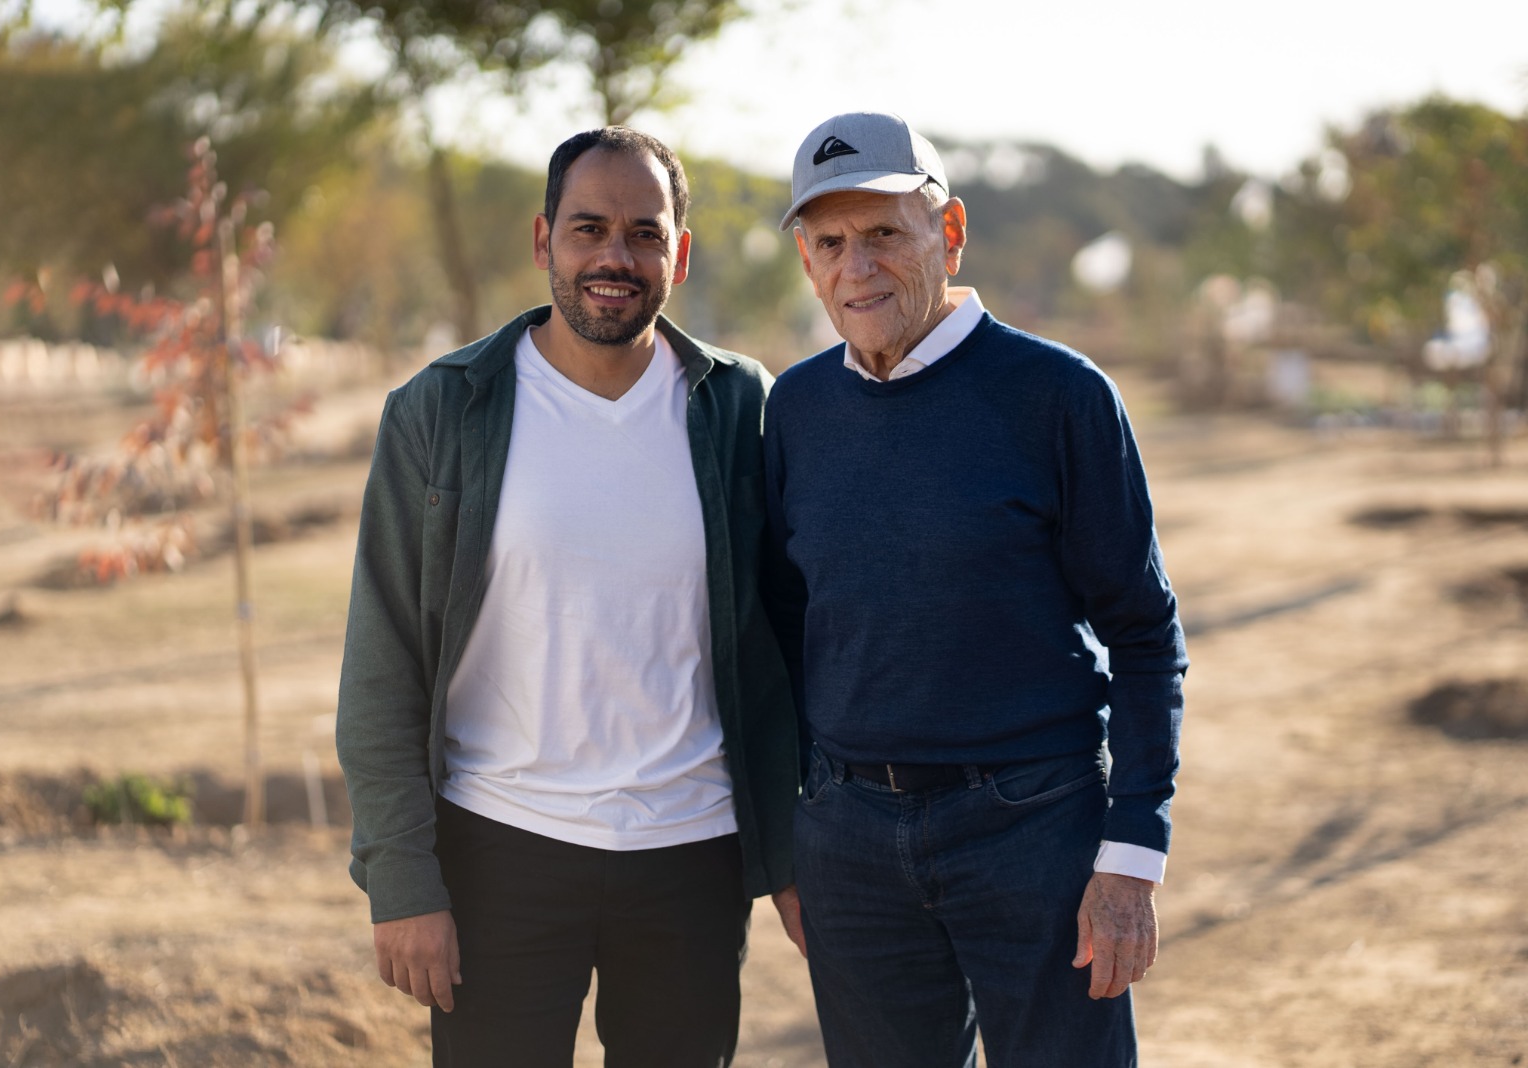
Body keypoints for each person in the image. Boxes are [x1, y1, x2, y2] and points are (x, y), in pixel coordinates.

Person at [335, 125, 800, 1068]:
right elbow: (383, 660)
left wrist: (792, 853)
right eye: (589, 229)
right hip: (499, 850)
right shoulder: (442, 408)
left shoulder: (739, 407)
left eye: (643, 233)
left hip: (691, 855)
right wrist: (403, 881)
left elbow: (791, 642)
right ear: (543, 240)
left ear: (679, 251)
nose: (614, 258)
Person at [762, 112, 1188, 1067]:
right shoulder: (795, 410)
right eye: (829, 243)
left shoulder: (1061, 397)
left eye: (883, 234)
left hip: (1035, 832)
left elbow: (1145, 631)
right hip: (850, 842)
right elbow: (788, 630)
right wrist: (796, 841)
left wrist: (1129, 861)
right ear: (806, 260)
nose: (855, 268)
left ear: (948, 233)